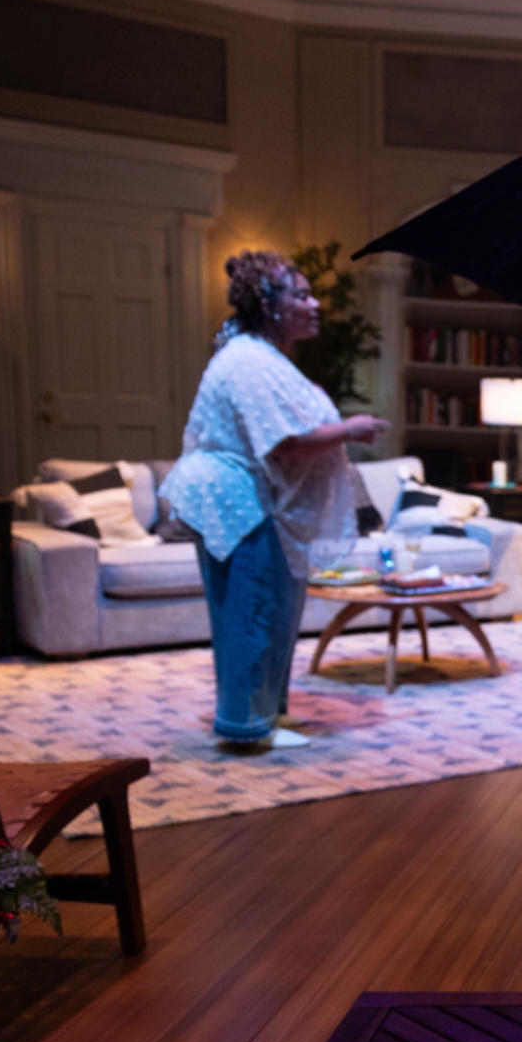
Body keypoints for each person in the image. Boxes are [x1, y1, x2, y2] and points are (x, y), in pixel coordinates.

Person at [160, 251, 386, 751]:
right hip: (234, 500)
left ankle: (266, 713)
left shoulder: (260, 356)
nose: (315, 303)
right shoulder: (247, 360)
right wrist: (350, 428)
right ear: (270, 305)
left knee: (275, 606)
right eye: (301, 294)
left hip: (249, 497)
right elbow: (283, 442)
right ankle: (247, 726)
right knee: (253, 608)